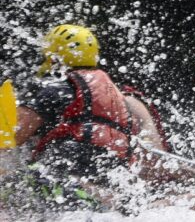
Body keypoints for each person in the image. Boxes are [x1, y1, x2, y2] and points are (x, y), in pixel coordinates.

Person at [3, 24, 172, 215]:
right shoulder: (121, 101)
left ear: (53, 56)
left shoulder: (54, 92)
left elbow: (11, 137)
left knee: (8, 185)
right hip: (111, 191)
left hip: (63, 184)